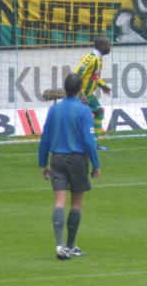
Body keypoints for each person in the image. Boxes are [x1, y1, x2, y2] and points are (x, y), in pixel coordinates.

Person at [38, 73, 100, 261]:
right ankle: (70, 246)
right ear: (80, 89)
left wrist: (43, 162)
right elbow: (89, 141)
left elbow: (45, 137)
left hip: (57, 159)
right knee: (76, 203)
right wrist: (96, 164)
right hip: (77, 160)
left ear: (65, 89)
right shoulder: (83, 110)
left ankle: (59, 245)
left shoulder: (54, 110)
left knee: (59, 201)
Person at [74, 36, 113, 151]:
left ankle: (93, 144)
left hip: (89, 96)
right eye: (108, 44)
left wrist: (102, 85)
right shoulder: (91, 58)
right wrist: (80, 94)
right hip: (81, 96)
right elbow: (76, 75)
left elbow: (94, 76)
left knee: (99, 112)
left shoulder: (98, 58)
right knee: (80, 119)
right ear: (102, 46)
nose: (110, 47)